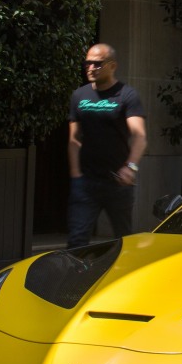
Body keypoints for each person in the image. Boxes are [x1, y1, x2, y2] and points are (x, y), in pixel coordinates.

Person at [67, 43, 147, 248]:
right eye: (87, 63)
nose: (90, 68)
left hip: (118, 183)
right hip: (86, 182)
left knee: (124, 240)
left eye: (97, 63)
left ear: (112, 66)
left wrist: (131, 167)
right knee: (77, 240)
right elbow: (74, 138)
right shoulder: (79, 96)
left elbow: (140, 137)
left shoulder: (127, 95)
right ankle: (78, 280)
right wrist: (76, 174)